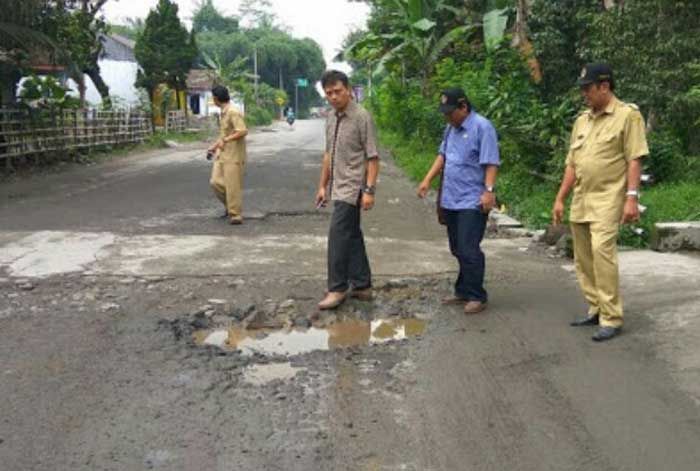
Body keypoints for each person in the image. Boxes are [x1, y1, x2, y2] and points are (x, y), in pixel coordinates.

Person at [552, 63, 649, 342]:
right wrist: (560, 198)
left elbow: (634, 158)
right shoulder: (582, 120)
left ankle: (611, 317)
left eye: (588, 88)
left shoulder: (628, 116)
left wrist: (631, 198)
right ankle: (595, 307)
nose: (584, 94)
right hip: (582, 197)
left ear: (604, 86)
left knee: (602, 254)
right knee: (583, 258)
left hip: (609, 197)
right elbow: (572, 163)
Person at [417, 88, 500, 314]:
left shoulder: (483, 127)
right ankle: (463, 290)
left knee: (468, 247)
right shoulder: (450, 128)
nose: (447, 117)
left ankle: (477, 295)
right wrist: (427, 180)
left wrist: (488, 191)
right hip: (451, 198)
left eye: (450, 113)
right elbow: (442, 155)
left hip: (473, 200)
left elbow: (491, 162)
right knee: (457, 247)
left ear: (464, 107)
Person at [315, 70, 380, 310]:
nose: (333, 97)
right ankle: (362, 285)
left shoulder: (362, 117)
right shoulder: (331, 118)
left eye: (337, 91)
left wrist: (369, 190)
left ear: (348, 90)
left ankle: (337, 287)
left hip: (352, 187)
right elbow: (328, 154)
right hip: (336, 185)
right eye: (328, 93)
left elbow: (372, 158)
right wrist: (322, 185)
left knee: (338, 236)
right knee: (351, 234)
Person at [208, 85, 248, 225]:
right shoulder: (223, 112)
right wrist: (213, 147)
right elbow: (224, 134)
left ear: (216, 98)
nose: (212, 99)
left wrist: (226, 140)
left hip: (234, 155)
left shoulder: (233, 111)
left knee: (232, 185)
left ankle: (235, 214)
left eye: (213, 97)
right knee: (215, 182)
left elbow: (242, 131)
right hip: (222, 153)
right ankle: (230, 206)